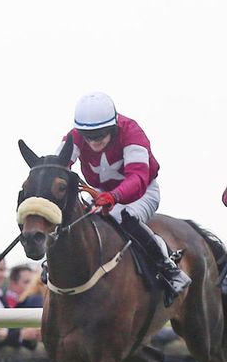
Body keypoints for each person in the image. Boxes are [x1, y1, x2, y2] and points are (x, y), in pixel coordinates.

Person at [57, 92, 191, 304]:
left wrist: (114, 196)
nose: (93, 141)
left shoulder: (132, 132)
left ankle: (169, 269)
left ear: (113, 127)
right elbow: (58, 167)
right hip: (100, 193)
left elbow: (138, 177)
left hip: (142, 191)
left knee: (124, 216)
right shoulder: (75, 136)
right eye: (88, 135)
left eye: (100, 134)